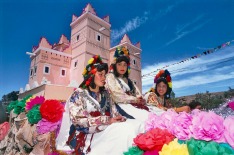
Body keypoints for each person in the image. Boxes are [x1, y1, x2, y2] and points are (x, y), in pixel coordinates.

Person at [56, 55, 145, 155]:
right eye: (100, 74)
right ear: (91, 75)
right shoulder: (79, 94)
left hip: (106, 128)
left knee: (136, 125)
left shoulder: (106, 94)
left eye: (105, 75)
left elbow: (114, 112)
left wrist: (120, 118)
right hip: (85, 135)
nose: (104, 78)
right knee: (124, 132)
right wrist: (107, 120)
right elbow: (78, 121)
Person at [105, 46, 151, 122]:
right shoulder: (110, 77)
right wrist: (135, 99)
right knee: (143, 120)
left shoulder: (129, 81)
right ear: (115, 65)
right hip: (120, 106)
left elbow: (138, 94)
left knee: (150, 115)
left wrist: (140, 99)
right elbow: (117, 96)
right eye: (119, 64)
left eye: (125, 65)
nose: (122, 67)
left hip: (133, 105)